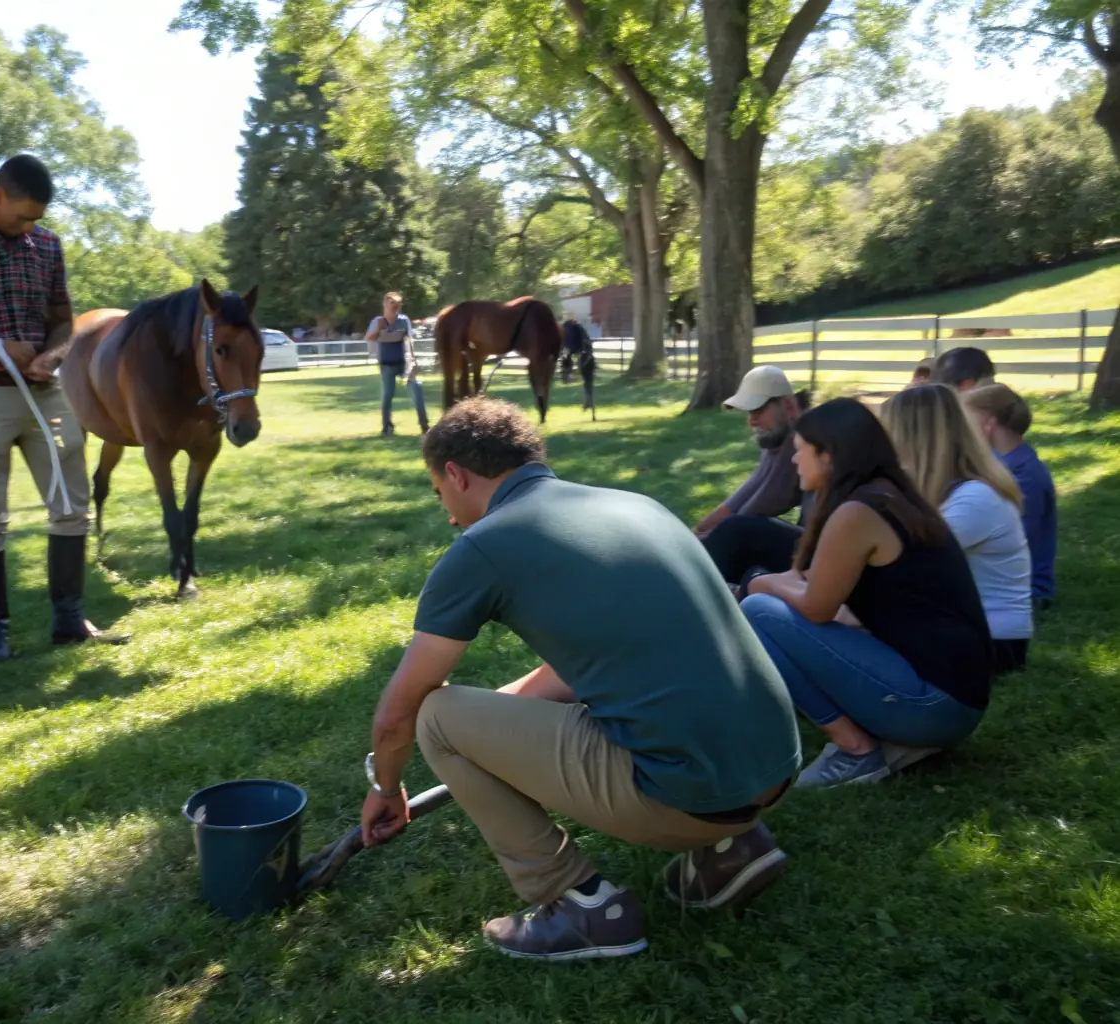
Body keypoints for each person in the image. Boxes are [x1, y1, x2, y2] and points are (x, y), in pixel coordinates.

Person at [359, 398, 800, 961]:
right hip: (774, 766)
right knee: (480, 719)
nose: (447, 514)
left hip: (689, 796)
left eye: (439, 494)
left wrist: (385, 786)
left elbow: (401, 711)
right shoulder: (635, 505)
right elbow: (592, 662)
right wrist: (497, 735)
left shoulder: (482, 547)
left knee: (437, 717)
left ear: (455, 474)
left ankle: (583, 907)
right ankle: (732, 848)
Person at [0, 154, 129, 663]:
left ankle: (69, 621)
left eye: (38, 218)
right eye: (23, 216)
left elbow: (61, 318)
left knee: (71, 506)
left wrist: (53, 354)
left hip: (47, 396)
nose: (30, 226)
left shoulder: (47, 246)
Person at [740, 398, 994, 787]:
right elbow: (820, 591)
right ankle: (892, 738)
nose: (794, 462)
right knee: (768, 606)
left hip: (935, 705)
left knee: (757, 609)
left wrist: (762, 583)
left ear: (828, 455)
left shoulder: (857, 513)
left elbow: (818, 608)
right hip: (957, 698)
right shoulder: (889, 495)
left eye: (800, 452)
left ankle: (855, 750)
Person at [881, 384, 1034, 674]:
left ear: (913, 438)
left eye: (888, 433)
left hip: (992, 643)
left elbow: (901, 568)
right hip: (965, 630)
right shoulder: (952, 490)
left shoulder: (976, 498)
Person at [696, 366, 811, 588]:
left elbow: (765, 502)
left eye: (757, 411)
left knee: (738, 532)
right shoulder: (779, 436)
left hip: (825, 554)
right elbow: (745, 494)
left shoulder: (800, 438)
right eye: (749, 413)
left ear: (788, 405)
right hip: (810, 546)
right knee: (733, 534)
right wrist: (700, 531)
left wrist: (707, 540)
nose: (751, 421)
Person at [962, 384, 1056, 610]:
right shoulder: (1001, 463)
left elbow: (1018, 542)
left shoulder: (1025, 476)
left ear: (988, 423)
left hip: (1023, 590)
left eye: (966, 420)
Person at [364, 291, 429, 437]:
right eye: (391, 304)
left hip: (404, 364)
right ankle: (387, 427)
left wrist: (414, 361)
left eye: (397, 304)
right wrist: (379, 331)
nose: (394, 307)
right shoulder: (378, 321)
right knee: (388, 395)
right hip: (386, 365)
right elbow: (368, 338)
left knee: (417, 388)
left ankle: (424, 425)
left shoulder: (403, 320)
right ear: (384, 304)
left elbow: (409, 341)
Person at [560, 313, 587, 383]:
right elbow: (582, 336)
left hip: (567, 347)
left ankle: (567, 376)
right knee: (571, 361)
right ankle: (570, 375)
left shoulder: (564, 326)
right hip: (573, 346)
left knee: (566, 361)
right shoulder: (576, 325)